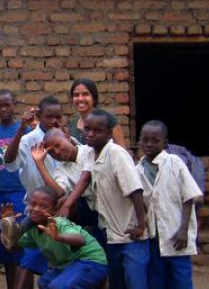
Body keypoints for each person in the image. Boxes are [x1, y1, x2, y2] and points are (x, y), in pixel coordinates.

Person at [59, 109, 149, 289]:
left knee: (135, 282)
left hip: (131, 233)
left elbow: (135, 190)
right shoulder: (91, 154)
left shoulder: (116, 154)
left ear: (109, 133)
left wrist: (141, 224)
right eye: (87, 129)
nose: (90, 134)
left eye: (97, 130)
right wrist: (68, 204)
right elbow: (84, 179)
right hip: (111, 234)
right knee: (117, 282)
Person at [3, 96, 63, 284]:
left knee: (58, 260)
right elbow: (9, 161)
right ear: (39, 116)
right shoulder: (28, 139)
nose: (54, 121)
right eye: (49, 116)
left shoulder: (65, 140)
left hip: (61, 209)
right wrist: (21, 128)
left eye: (58, 117)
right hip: (36, 210)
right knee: (28, 260)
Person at [0, 187, 108, 289]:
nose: (36, 209)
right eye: (33, 204)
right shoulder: (33, 228)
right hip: (68, 264)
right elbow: (13, 247)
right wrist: (9, 228)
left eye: (43, 206)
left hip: (91, 261)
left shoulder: (58, 223)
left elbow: (80, 240)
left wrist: (59, 237)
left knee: (56, 286)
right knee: (44, 283)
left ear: (54, 210)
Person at [137, 120, 201, 289]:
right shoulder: (138, 170)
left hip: (177, 236)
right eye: (145, 139)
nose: (149, 144)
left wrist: (183, 229)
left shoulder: (174, 162)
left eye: (155, 140)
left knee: (181, 280)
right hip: (154, 239)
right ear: (139, 141)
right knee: (157, 281)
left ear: (165, 143)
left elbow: (189, 197)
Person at [0, 89, 28, 288]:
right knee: (7, 248)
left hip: (19, 192)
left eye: (6, 105)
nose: (2, 109)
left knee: (20, 246)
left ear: (14, 105)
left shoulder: (25, 130)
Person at [68, 78, 125, 145]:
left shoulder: (108, 119)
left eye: (85, 94)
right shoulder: (73, 122)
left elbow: (121, 148)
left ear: (94, 98)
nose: (80, 99)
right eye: (76, 95)